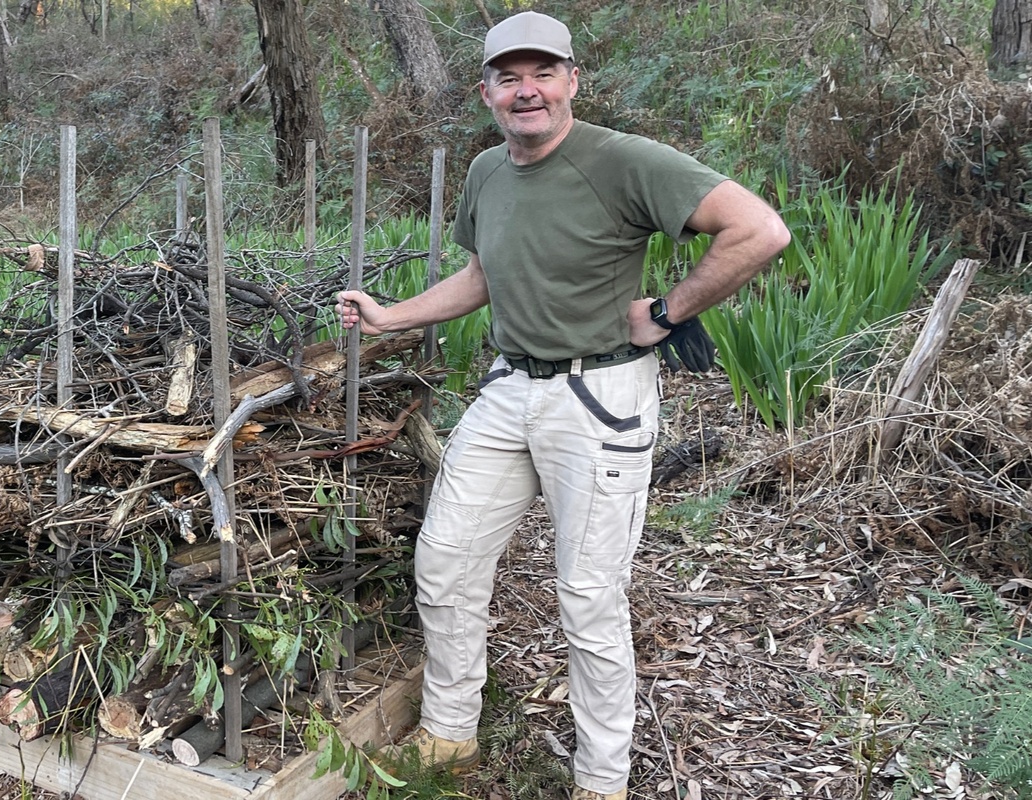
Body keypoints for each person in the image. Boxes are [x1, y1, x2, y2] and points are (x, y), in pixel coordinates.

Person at [337, 11, 790, 800]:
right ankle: (450, 736)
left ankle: (600, 780)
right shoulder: (486, 173)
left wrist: (669, 312)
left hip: (600, 395)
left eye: (542, 73)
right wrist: (392, 313)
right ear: (487, 92)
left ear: (572, 79)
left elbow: (758, 230)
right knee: (444, 562)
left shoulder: (621, 160)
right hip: (512, 388)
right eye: (509, 78)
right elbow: (486, 276)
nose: (527, 91)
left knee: (588, 596)